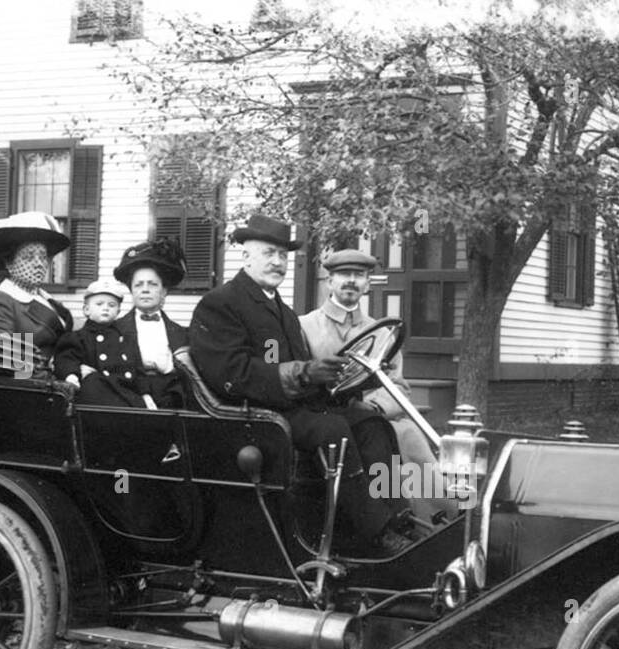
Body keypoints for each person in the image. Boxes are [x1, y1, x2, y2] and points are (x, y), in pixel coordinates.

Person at [188, 214, 412, 556]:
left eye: (283, 255)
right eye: (268, 253)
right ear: (246, 256)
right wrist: (305, 373)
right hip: (255, 416)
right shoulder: (221, 304)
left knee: (372, 423)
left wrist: (337, 381)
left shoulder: (283, 311)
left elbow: (301, 372)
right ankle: (376, 534)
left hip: (293, 407)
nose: (278, 262)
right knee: (332, 428)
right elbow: (232, 373)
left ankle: (396, 518)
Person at [298, 248, 448, 523]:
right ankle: (397, 520)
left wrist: (375, 406)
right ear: (329, 281)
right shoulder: (304, 326)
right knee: (388, 439)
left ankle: (439, 519)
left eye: (359, 275)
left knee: (409, 435)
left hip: (375, 415)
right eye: (344, 274)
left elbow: (399, 386)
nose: (351, 281)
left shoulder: (382, 332)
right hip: (328, 418)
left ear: (367, 284)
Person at [0, 211, 73, 376]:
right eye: (29, 257)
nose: (39, 264)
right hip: (36, 386)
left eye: (43, 257)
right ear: (10, 263)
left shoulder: (47, 300)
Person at [112, 237, 191, 408]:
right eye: (138, 285)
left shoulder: (182, 333)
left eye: (152, 284)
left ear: (164, 291)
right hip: (129, 399)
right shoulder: (114, 330)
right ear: (131, 291)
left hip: (172, 399)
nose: (145, 290)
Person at [54, 278, 156, 408]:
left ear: (118, 312)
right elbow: (66, 358)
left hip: (126, 393)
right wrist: (72, 375)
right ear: (86, 310)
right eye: (99, 304)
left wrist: (146, 395)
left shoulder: (126, 339)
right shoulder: (78, 337)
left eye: (111, 305)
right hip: (97, 393)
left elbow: (138, 371)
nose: (106, 308)